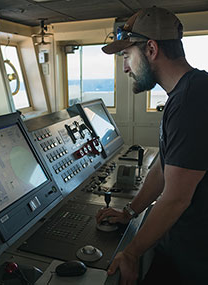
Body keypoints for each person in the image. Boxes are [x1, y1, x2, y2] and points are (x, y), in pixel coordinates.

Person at [96, 6, 208, 285]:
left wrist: (131, 253)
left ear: (151, 49)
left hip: (195, 257)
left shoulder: (191, 100)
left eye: (126, 55)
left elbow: (176, 197)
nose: (125, 67)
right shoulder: (185, 92)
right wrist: (129, 212)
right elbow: (163, 166)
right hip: (181, 244)